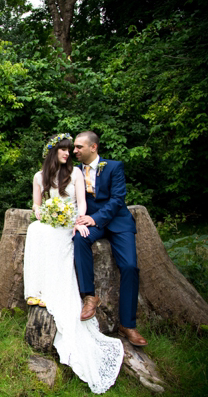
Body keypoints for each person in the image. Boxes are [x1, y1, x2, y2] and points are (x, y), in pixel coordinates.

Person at [23, 133, 124, 394]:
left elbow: (82, 204)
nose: (68, 154)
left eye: (70, 150)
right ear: (53, 152)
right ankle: (39, 290)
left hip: (69, 222)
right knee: (36, 230)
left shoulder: (76, 174)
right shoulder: (38, 176)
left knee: (60, 238)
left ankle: (60, 292)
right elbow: (36, 205)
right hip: (50, 221)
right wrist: (44, 213)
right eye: (63, 150)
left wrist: (77, 221)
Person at [72, 131, 148, 347]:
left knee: (130, 267)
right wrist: (78, 221)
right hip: (89, 221)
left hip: (117, 222)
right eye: (74, 147)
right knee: (80, 240)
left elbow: (117, 200)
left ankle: (128, 325)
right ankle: (89, 296)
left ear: (93, 147)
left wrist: (94, 219)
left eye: (79, 147)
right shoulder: (75, 171)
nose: (74, 151)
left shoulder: (114, 167)